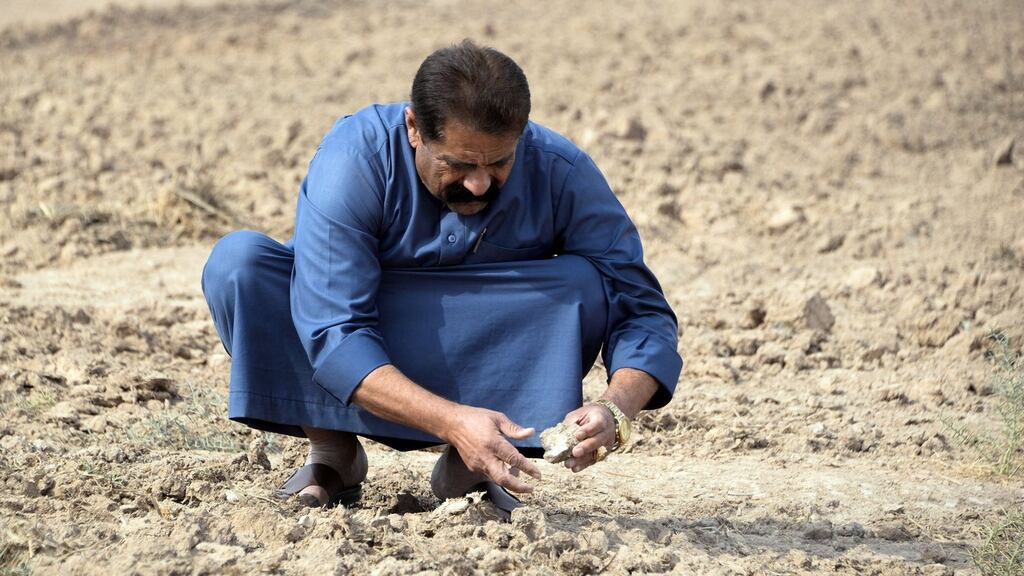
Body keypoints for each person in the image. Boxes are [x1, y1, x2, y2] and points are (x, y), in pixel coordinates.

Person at [201, 39, 683, 514]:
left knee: (584, 284)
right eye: (458, 163)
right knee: (240, 266)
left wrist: (615, 409)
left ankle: (474, 466)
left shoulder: (561, 169)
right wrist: (452, 421)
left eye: (500, 163)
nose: (479, 183)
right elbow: (334, 330)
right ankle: (333, 454)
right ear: (414, 128)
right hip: (362, 334)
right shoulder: (354, 160)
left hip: (478, 341)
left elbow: (640, 308)